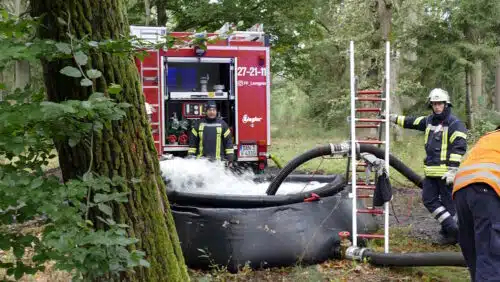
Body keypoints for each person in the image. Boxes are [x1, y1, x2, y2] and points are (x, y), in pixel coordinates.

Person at [384, 88, 468, 244]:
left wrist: (453, 170)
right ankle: (452, 228)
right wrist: (392, 118)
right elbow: (411, 121)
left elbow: (459, 146)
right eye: (434, 104)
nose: (437, 107)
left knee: (450, 206)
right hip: (430, 173)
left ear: (446, 104)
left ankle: (451, 235)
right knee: (429, 200)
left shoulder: (455, 124)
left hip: (446, 174)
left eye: (440, 104)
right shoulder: (429, 121)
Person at [452, 125, 500, 281]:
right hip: (485, 189)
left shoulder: (488, 137)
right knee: (490, 256)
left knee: (475, 255)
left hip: (460, 188)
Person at [187, 100, 235, 167]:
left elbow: (228, 143)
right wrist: (191, 156)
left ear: (216, 111)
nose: (212, 112)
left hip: (218, 163)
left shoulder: (223, 124)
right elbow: (192, 143)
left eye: (214, 110)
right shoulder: (198, 124)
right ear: (206, 111)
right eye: (209, 110)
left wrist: (230, 158)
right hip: (202, 162)